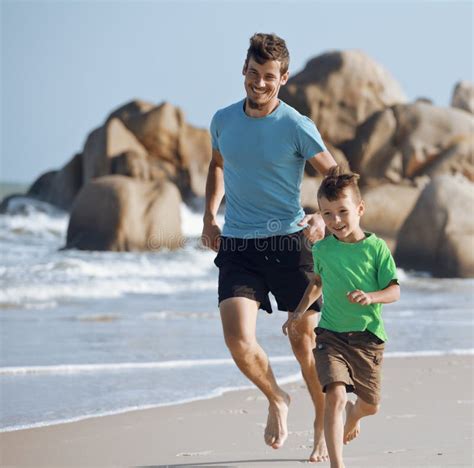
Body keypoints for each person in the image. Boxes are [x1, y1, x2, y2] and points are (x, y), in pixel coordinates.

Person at [201, 33, 337, 462]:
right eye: (254, 74)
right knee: (238, 339)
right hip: (239, 244)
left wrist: (322, 217)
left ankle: (321, 421)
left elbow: (333, 175)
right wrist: (209, 216)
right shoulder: (223, 119)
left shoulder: (295, 125)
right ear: (244, 69)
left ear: (284, 78)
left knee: (305, 339)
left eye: (269, 78)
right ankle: (277, 397)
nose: (260, 84)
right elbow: (217, 164)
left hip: (290, 245)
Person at [282, 167, 400, 468]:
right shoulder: (322, 248)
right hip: (331, 336)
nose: (336, 220)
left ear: (360, 209)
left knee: (370, 406)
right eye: (328, 213)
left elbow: (393, 291)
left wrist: (371, 296)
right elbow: (317, 283)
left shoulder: (376, 249)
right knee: (334, 395)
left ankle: (355, 413)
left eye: (342, 212)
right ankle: (338, 465)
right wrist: (297, 313)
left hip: (367, 339)